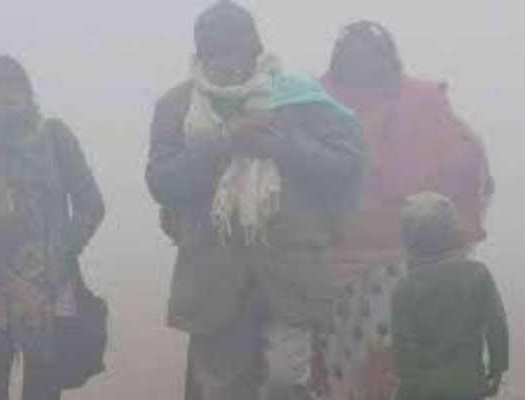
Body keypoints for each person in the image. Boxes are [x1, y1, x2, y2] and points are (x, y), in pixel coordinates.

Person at [145, 2, 365, 399]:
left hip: (292, 269)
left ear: (255, 49)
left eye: (236, 50)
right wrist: (227, 141)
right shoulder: (176, 106)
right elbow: (163, 182)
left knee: (286, 381)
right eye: (216, 52)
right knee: (222, 389)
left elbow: (345, 164)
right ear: (201, 54)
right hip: (212, 274)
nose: (227, 61)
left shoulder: (297, 97)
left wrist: (283, 146)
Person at [321, 21, 495, 399]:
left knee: (398, 362)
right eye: (354, 60)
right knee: (341, 370)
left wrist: (447, 237)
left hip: (405, 263)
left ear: (389, 62)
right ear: (338, 63)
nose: (363, 69)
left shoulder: (423, 105)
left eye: (371, 59)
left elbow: (466, 169)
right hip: (332, 269)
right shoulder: (316, 105)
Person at [0, 55, 105, 400]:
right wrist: (16, 283)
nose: (2, 104)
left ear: (29, 95)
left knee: (43, 391)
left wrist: (55, 257)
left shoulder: (56, 138)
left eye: (11, 93)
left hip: (50, 285)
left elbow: (91, 207)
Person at [392, 191, 509, 399]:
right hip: (468, 385)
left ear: (409, 239)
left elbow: (404, 350)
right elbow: (497, 326)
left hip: (425, 391)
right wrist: (497, 368)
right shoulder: (477, 274)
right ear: (453, 232)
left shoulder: (405, 288)